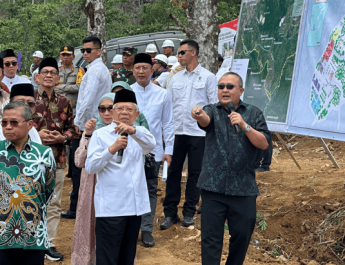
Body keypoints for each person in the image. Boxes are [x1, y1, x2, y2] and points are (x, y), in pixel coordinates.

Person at [191, 72, 270, 265]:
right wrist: (198, 114)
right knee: (210, 240)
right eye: (221, 86)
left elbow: (264, 144)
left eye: (230, 86)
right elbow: (205, 121)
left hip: (243, 189)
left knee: (242, 238)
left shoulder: (253, 113)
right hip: (213, 188)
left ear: (241, 90)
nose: (224, 90)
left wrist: (244, 125)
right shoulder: (212, 110)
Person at [85, 89, 156, 265]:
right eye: (120, 109)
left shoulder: (139, 134)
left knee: (127, 256)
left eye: (129, 109)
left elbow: (151, 145)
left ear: (136, 114)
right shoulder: (100, 135)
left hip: (134, 207)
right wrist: (111, 150)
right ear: (113, 112)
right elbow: (90, 166)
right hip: (111, 208)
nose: (125, 112)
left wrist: (133, 131)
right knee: (108, 258)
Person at [161, 39, 218, 230]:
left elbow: (213, 106)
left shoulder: (208, 77)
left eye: (182, 52)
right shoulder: (175, 78)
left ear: (193, 53)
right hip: (177, 132)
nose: (179, 56)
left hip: (198, 134)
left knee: (195, 173)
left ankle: (189, 212)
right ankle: (170, 213)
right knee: (172, 172)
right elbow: (168, 107)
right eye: (178, 53)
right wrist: (165, 131)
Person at [0, 101, 55, 265]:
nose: (8, 127)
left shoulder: (44, 153)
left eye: (14, 122)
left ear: (30, 124)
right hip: (2, 234)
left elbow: (48, 191)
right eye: (4, 122)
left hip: (33, 234)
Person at [34, 57, 75, 261]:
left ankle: (49, 243)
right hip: (31, 159)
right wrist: (36, 135)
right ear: (37, 76)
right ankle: (31, 241)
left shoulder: (64, 102)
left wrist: (63, 137)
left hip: (57, 158)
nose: (49, 75)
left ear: (58, 78)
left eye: (53, 72)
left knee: (54, 202)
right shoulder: (29, 100)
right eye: (45, 72)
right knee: (31, 199)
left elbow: (72, 130)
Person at [66, 36, 111, 221]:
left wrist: (77, 124)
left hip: (88, 125)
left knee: (79, 167)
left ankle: (78, 208)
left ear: (99, 51)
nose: (84, 53)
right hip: (95, 123)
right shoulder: (98, 69)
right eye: (83, 50)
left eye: (88, 50)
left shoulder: (94, 71)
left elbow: (88, 100)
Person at [132, 53, 175, 247]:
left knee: (150, 189)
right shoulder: (126, 93)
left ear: (152, 70)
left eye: (145, 68)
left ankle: (146, 229)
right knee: (131, 188)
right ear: (133, 71)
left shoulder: (162, 94)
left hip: (154, 151)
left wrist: (169, 150)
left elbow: (168, 124)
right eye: (137, 68)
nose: (141, 71)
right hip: (129, 150)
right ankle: (131, 228)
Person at [56, 46, 85, 116]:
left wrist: (60, 86)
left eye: (68, 55)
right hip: (57, 109)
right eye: (63, 55)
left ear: (73, 57)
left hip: (73, 110)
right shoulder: (55, 71)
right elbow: (52, 88)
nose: (65, 57)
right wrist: (71, 88)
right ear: (60, 57)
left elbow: (79, 87)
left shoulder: (79, 70)